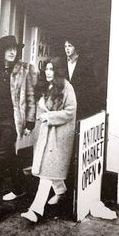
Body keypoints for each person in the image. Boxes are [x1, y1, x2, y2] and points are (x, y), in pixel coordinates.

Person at [0, 35, 36, 221]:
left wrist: (30, 121)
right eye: (8, 49)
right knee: (9, 156)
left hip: (13, 121)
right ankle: (19, 188)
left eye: (14, 49)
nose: (12, 52)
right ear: (1, 52)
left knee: (0, 160)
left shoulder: (25, 69)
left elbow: (30, 97)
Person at [21, 57, 77, 223]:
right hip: (46, 134)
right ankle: (61, 191)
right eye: (46, 69)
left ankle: (36, 210)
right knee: (49, 168)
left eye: (52, 69)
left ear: (58, 71)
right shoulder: (46, 86)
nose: (48, 72)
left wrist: (50, 116)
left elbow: (70, 111)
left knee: (46, 171)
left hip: (59, 136)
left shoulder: (67, 87)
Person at [64, 38, 98, 120]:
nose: (67, 49)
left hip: (80, 103)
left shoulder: (85, 63)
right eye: (65, 46)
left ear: (75, 47)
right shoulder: (62, 62)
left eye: (70, 46)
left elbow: (90, 85)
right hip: (66, 103)